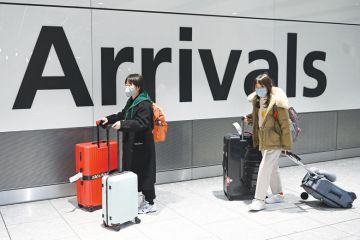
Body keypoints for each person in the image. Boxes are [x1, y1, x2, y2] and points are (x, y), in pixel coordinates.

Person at [98, 74, 157, 214]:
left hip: (142, 145)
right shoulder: (132, 101)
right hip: (132, 145)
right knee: (132, 172)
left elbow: (142, 123)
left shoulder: (145, 103)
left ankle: (150, 203)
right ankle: (141, 200)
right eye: (126, 84)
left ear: (138, 86)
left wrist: (123, 124)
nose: (127, 87)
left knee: (145, 174)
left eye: (130, 85)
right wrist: (108, 119)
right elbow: (123, 114)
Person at [245, 73, 292, 211]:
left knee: (264, 167)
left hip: (275, 140)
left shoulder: (277, 102)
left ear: (268, 86)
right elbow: (258, 119)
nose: (259, 90)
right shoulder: (257, 100)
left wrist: (287, 145)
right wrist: (250, 119)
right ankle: (278, 194)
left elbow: (285, 125)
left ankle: (259, 200)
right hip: (263, 139)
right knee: (272, 167)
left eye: (262, 87)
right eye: (257, 87)